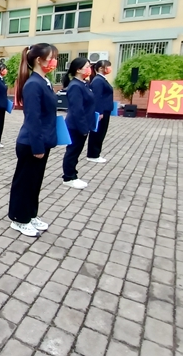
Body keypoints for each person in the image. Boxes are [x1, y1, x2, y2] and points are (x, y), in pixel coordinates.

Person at [8, 43, 59, 237]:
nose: (54, 62)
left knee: (35, 182)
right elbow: (33, 118)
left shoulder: (43, 81)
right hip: (31, 143)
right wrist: (38, 146)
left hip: (41, 141)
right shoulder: (33, 84)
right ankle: (19, 219)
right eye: (51, 58)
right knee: (25, 182)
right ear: (39, 60)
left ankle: (30, 215)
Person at [61, 57, 95, 190]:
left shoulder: (83, 83)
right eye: (87, 66)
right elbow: (77, 110)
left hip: (83, 124)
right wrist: (83, 128)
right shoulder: (75, 85)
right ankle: (68, 177)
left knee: (76, 152)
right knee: (72, 152)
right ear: (78, 69)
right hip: (76, 125)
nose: (89, 69)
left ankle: (73, 174)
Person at [87, 60, 113, 164]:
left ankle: (95, 153)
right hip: (101, 111)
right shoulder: (98, 80)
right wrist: (99, 112)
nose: (109, 69)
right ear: (101, 68)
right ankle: (93, 154)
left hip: (105, 110)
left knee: (101, 132)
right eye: (108, 66)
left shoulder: (102, 79)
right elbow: (97, 97)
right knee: (98, 133)